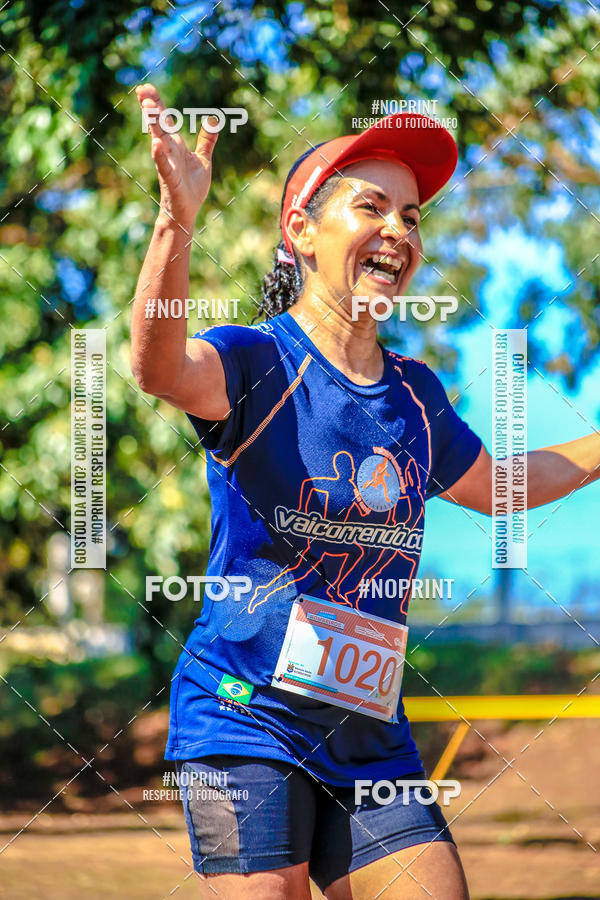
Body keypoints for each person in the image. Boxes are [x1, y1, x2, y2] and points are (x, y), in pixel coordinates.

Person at [131, 84, 600, 900]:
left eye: (411, 217)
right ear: (302, 233)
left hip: (368, 733)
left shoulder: (417, 395)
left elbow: (502, 486)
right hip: (242, 716)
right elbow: (157, 368)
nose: (399, 230)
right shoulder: (256, 361)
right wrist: (177, 219)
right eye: (371, 206)